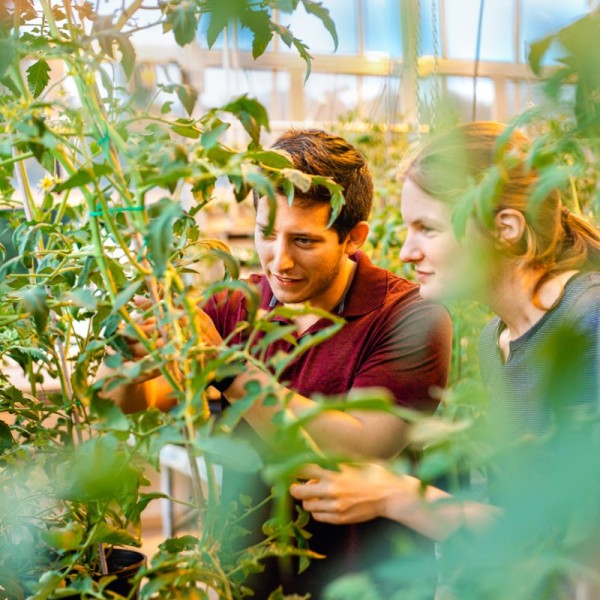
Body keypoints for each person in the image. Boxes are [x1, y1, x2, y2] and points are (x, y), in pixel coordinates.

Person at [110, 129, 453, 597]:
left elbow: (361, 447)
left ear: (353, 237)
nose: (280, 260)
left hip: (367, 582)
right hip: (246, 575)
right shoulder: (236, 303)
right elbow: (137, 401)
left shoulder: (411, 316)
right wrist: (131, 358)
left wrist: (227, 369)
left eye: (305, 241)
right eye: (266, 234)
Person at [290, 122, 600, 597]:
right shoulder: (495, 340)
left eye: (428, 228)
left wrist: (394, 494)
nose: (406, 250)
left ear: (506, 229)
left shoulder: (588, 326)